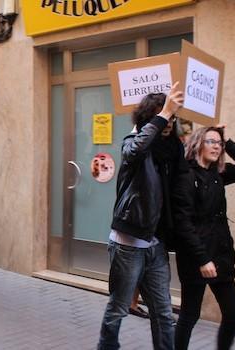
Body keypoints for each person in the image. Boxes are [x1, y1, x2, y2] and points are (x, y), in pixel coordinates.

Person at [97, 84, 185, 350]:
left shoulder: (171, 153)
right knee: (119, 308)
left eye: (172, 117)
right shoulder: (133, 145)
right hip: (128, 243)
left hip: (155, 245)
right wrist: (164, 113)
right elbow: (134, 150)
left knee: (163, 313)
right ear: (150, 118)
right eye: (163, 116)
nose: (169, 121)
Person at [173, 126, 235, 350]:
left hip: (220, 254)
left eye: (219, 144)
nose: (217, 146)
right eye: (211, 141)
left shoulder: (218, 173)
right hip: (195, 256)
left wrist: (228, 140)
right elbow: (183, 224)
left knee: (233, 315)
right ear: (198, 143)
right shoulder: (185, 175)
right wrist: (202, 259)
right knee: (189, 315)